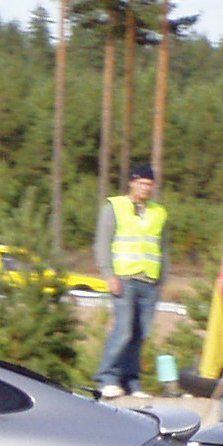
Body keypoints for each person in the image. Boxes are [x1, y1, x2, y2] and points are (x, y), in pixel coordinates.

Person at [93, 163, 169, 399]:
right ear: (131, 183)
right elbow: (102, 242)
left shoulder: (159, 212)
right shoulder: (114, 207)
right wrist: (108, 274)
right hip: (124, 278)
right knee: (124, 330)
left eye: (149, 183)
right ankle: (106, 377)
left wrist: (162, 278)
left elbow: (163, 247)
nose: (145, 188)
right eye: (141, 183)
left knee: (141, 333)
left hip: (150, 280)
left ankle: (131, 380)